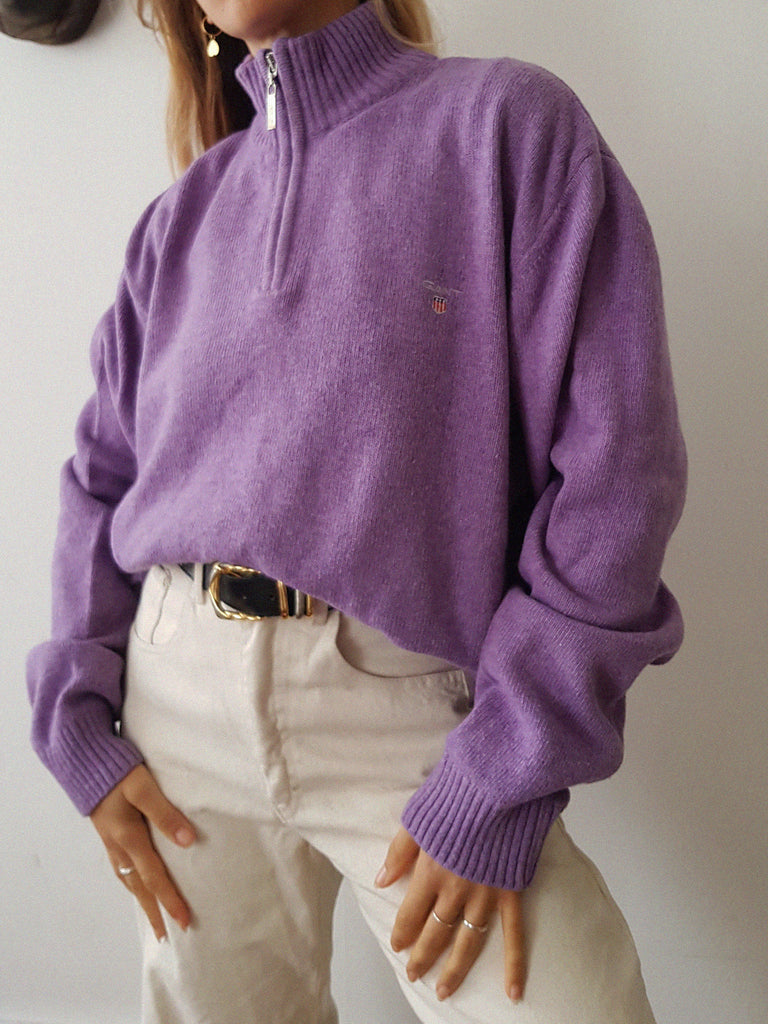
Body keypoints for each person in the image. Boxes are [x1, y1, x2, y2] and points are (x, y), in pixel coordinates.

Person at [26, 1, 687, 1021]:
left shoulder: (508, 127)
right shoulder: (178, 220)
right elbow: (101, 474)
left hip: (411, 713)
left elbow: (619, 473)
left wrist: (501, 775)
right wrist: (75, 716)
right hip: (175, 713)